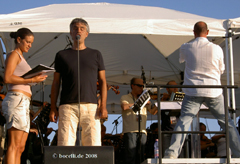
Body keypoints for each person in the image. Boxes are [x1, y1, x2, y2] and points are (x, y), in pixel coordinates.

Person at [164, 21, 240, 159]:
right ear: (208, 32)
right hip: (213, 90)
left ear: (194, 32)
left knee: (184, 121)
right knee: (226, 122)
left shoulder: (186, 47)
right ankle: (239, 153)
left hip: (193, 91)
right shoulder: (217, 48)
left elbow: (182, 60)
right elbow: (221, 69)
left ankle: (172, 153)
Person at [49, 18, 108, 146]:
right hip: (67, 105)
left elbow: (103, 81)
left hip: (91, 106)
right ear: (70, 32)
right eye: (75, 28)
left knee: (93, 145)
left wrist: (103, 105)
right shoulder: (61, 55)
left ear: (87, 33)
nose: (78, 31)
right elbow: (56, 83)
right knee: (65, 144)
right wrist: (53, 107)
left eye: (82, 28)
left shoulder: (96, 54)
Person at [1, 28, 47, 164]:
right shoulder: (14, 54)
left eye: (31, 43)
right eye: (27, 42)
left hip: (24, 101)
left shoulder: (20, 57)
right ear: (19, 40)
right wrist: (32, 80)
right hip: (16, 99)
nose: (30, 45)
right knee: (14, 145)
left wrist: (35, 78)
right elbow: (7, 78)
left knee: (21, 147)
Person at [120, 78, 158, 164]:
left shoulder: (144, 98)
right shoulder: (125, 97)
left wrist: (158, 103)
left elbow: (153, 112)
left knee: (141, 156)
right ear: (133, 86)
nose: (142, 88)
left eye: (143, 86)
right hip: (130, 131)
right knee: (130, 156)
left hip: (143, 131)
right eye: (140, 86)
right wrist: (139, 102)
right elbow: (124, 107)